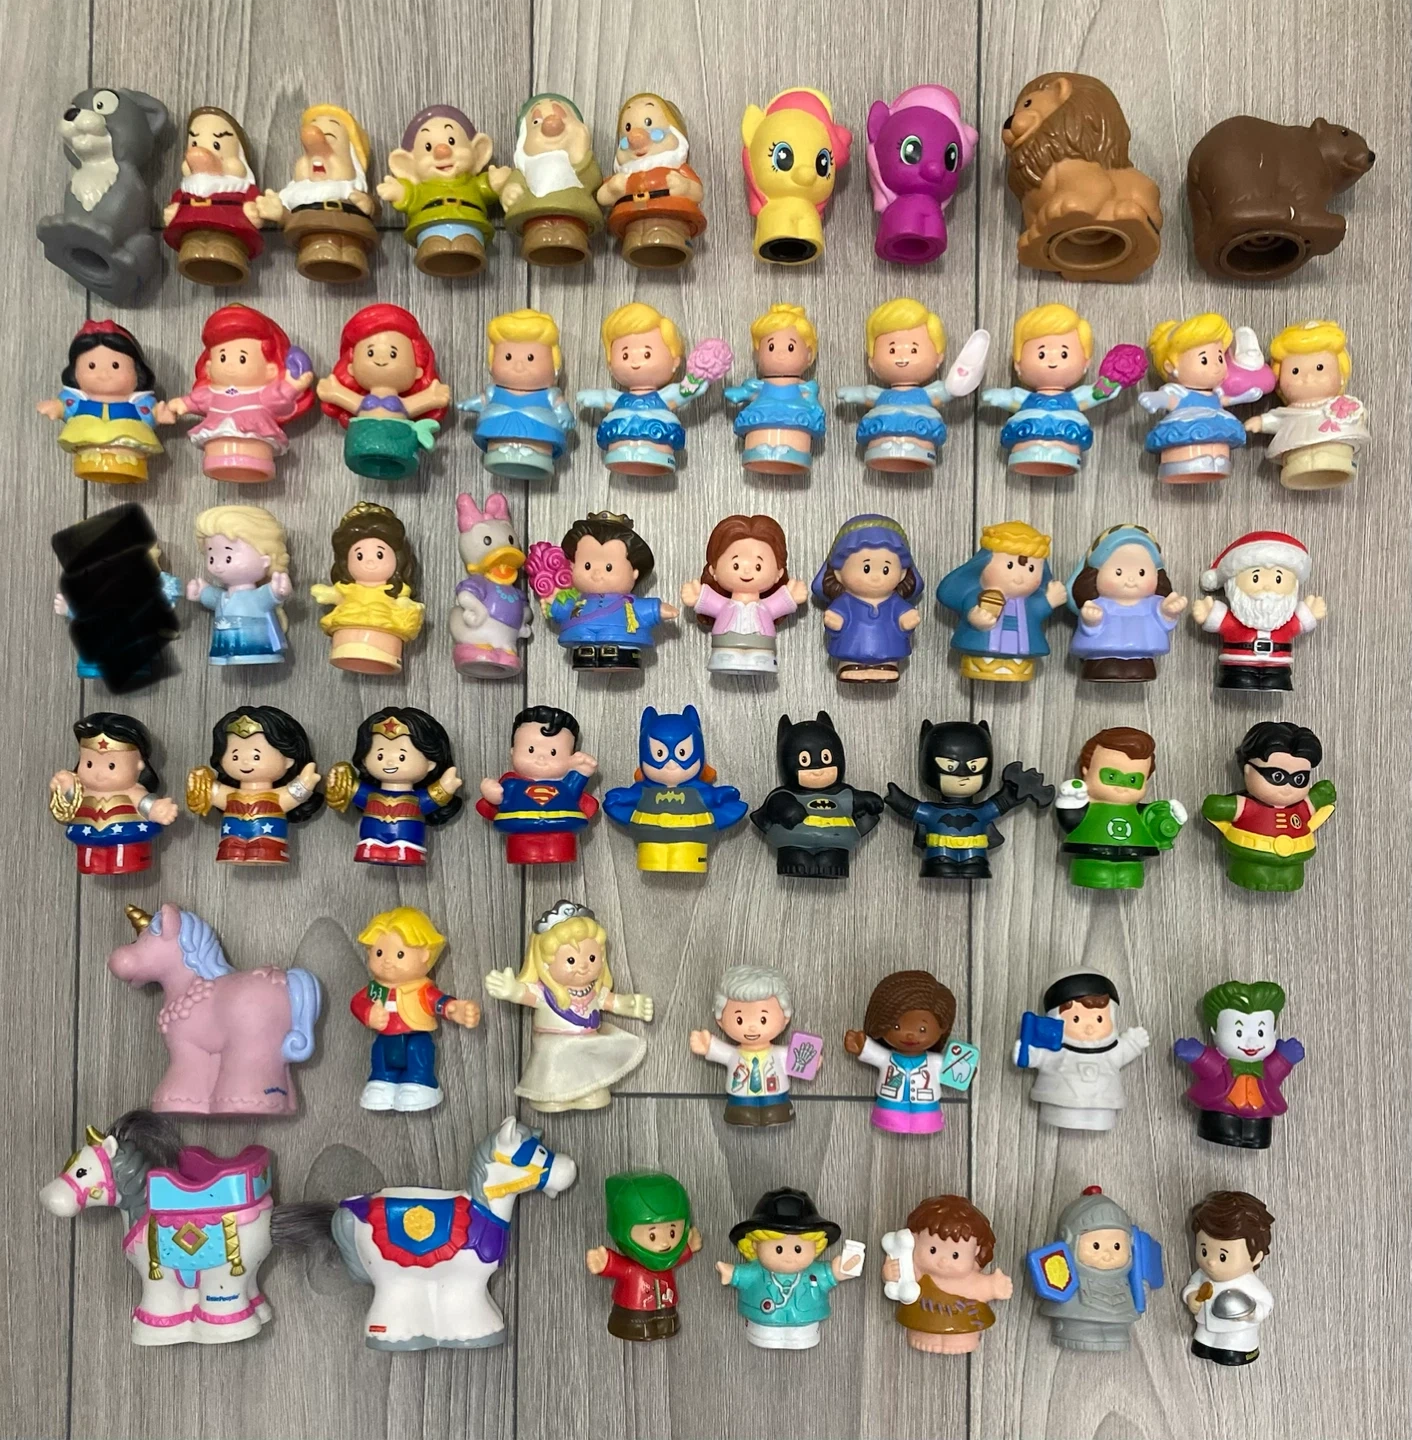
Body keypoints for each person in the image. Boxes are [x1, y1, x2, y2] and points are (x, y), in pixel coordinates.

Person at [1183, 1191, 1276, 1365]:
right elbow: (1193, 1285)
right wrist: (1191, 1296)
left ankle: (1235, 1349)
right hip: (1205, 1326)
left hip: (1235, 1332)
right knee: (1202, 1343)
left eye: (1223, 1256)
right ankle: (1205, 1344)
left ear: (1255, 1257)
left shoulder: (1247, 1283)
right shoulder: (1203, 1274)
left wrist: (1251, 1313)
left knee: (1229, 1348)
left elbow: (1267, 1303)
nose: (1211, 1262)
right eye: (1204, 1251)